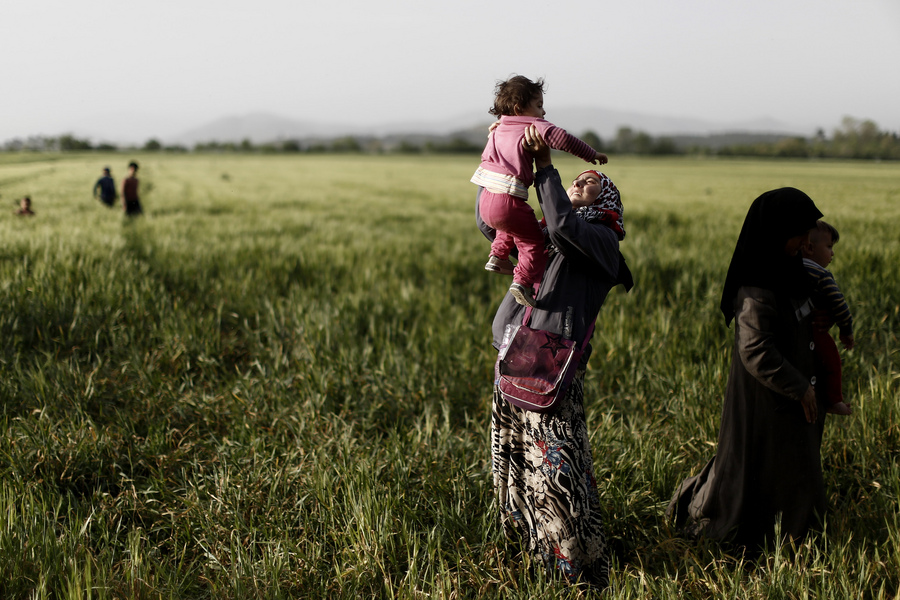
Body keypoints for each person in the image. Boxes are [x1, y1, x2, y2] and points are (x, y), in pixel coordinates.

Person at [479, 125, 632, 590]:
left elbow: (565, 225)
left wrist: (547, 166)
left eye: (590, 182)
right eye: (574, 180)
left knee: (556, 471)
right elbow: (494, 224)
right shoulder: (548, 232)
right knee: (518, 461)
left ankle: (574, 565)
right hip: (516, 360)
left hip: (551, 372)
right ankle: (526, 547)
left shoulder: (601, 242)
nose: (578, 183)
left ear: (608, 201)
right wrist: (502, 162)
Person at [667, 187, 827, 551]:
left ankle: (796, 534)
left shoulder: (790, 270)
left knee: (791, 467)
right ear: (775, 232)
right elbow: (755, 349)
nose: (806, 241)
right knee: (760, 472)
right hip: (765, 399)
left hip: (788, 394)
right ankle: (766, 538)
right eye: (799, 232)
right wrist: (799, 386)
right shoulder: (756, 286)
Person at [472, 75, 608, 308]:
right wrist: (591, 154)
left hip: (486, 199)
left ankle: (498, 255)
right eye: (539, 105)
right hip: (508, 201)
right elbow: (564, 139)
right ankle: (522, 282)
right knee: (532, 240)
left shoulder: (497, 129)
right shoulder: (533, 126)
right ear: (519, 108)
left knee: (510, 226)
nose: (543, 113)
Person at [802, 220, 854, 416]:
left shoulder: (790, 267)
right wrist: (846, 330)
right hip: (816, 330)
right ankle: (833, 400)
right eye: (829, 247)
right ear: (809, 247)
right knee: (832, 360)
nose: (832, 253)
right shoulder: (822, 274)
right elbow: (840, 305)